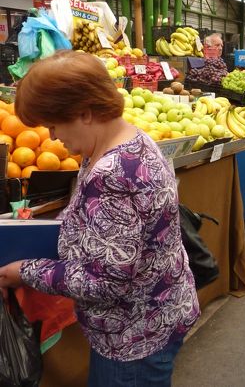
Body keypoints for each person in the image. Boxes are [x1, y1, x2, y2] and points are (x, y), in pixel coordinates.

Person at [0, 51, 200, 386]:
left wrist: (24, 270)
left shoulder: (113, 173)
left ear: (84, 113)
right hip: (157, 310)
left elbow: (103, 282)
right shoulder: (126, 141)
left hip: (133, 335)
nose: (51, 137)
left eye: (53, 125)